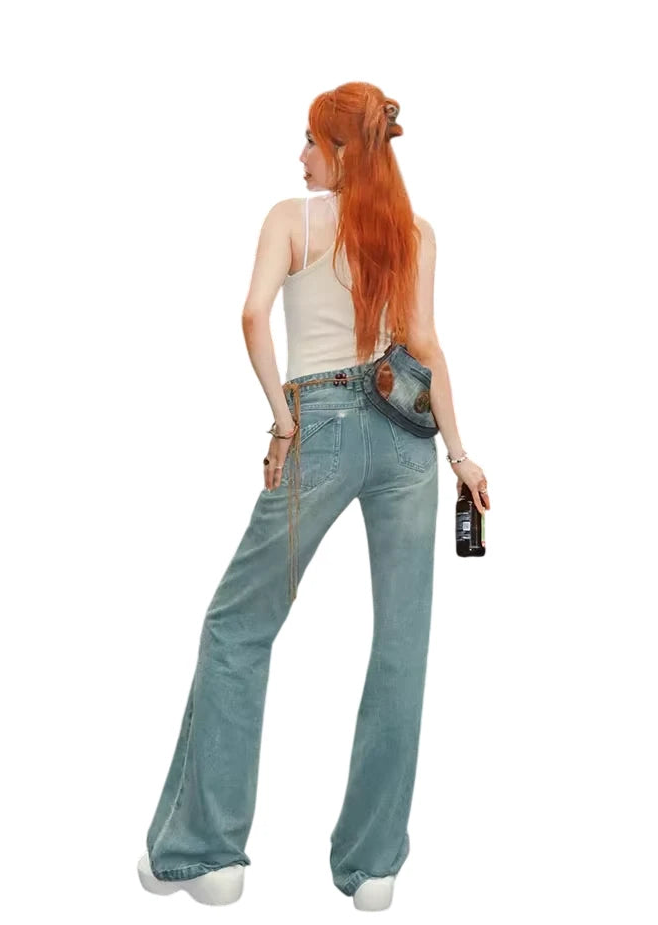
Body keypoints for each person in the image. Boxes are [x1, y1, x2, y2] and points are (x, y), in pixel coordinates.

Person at [137, 81, 490, 910]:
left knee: (237, 625)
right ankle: (374, 868)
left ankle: (205, 856)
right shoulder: (416, 232)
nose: (299, 157)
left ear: (339, 150)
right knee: (402, 645)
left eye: (308, 141)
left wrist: (283, 422)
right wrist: (462, 455)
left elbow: (252, 317)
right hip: (408, 438)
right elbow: (426, 343)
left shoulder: (291, 219)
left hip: (322, 424)